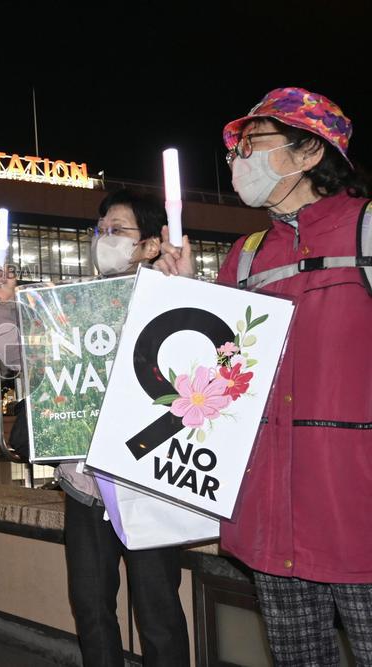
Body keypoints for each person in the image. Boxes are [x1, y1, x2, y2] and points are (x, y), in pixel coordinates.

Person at [155, 87, 372, 666]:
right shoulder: (247, 255)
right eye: (236, 150)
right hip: (270, 519)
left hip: (357, 511)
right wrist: (189, 297)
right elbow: (220, 380)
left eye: (253, 144)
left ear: (309, 152)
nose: (238, 160)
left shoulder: (366, 230)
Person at [0, 190, 189, 666]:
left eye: (118, 230)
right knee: (91, 608)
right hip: (84, 485)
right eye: (100, 230)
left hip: (147, 485)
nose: (104, 239)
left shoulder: (169, 298)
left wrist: (185, 286)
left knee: (158, 613)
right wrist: (5, 303)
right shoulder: (71, 305)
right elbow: (17, 358)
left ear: (150, 245)